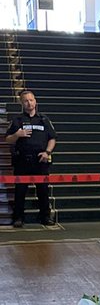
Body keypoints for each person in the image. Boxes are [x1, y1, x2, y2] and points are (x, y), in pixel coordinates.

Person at [5, 89, 57, 228]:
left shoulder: (44, 119)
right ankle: (18, 218)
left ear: (35, 101)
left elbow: (52, 138)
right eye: (26, 101)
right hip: (22, 161)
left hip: (41, 161)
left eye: (31, 100)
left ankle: (45, 217)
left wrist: (47, 152)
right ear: (22, 103)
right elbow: (8, 139)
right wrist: (17, 134)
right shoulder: (17, 120)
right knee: (20, 192)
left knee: (43, 191)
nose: (29, 103)